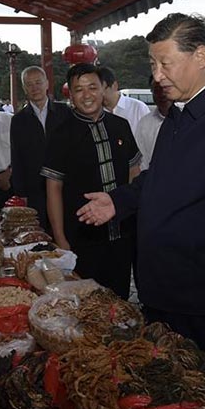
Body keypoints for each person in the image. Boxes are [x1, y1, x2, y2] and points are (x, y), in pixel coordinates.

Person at [76, 13, 205, 409]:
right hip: (167, 292)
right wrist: (120, 201)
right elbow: (162, 178)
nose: (157, 75)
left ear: (200, 55)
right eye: (153, 64)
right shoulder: (182, 112)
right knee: (175, 393)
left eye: (164, 63)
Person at [42, 63, 141, 299]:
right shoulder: (60, 134)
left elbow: (134, 173)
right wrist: (60, 238)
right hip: (81, 237)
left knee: (119, 298)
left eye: (93, 87)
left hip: (122, 232)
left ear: (103, 89)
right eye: (79, 89)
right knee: (85, 303)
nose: (87, 95)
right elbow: (53, 188)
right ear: (71, 95)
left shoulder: (121, 126)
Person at [9, 66, 69, 228]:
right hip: (35, 189)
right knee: (41, 236)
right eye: (29, 84)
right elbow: (17, 158)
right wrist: (21, 193)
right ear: (24, 89)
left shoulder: (66, 112)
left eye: (38, 82)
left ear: (47, 84)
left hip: (66, 187)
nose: (35, 87)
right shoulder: (18, 120)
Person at [134, 75, 172, 171]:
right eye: (157, 90)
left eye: (165, 88)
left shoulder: (188, 120)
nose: (162, 94)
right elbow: (142, 162)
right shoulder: (145, 124)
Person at [98, 66, 151, 134]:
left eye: (103, 90)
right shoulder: (96, 113)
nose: (100, 95)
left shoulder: (138, 108)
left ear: (114, 85)